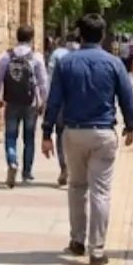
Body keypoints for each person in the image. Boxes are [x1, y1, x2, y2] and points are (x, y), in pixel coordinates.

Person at [41, 14, 133, 265]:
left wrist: (46, 132)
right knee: (101, 191)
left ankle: (77, 240)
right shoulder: (114, 63)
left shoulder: (66, 63)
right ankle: (97, 250)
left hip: (73, 132)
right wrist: (131, 125)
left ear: (80, 35)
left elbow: (54, 101)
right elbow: (127, 97)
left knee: (77, 187)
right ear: (103, 34)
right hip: (103, 132)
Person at [0, 24, 48, 187]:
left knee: (10, 136)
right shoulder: (36, 57)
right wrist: (44, 101)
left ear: (17, 37)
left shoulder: (6, 56)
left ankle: (12, 162)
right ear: (31, 38)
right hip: (30, 103)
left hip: (11, 101)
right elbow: (43, 82)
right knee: (29, 138)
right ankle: (27, 173)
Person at [45, 30, 80, 187]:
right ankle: (75, 168)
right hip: (78, 102)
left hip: (60, 101)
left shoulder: (57, 54)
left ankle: (64, 165)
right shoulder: (84, 54)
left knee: (60, 135)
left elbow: (50, 79)